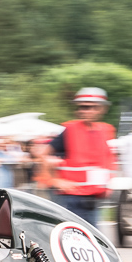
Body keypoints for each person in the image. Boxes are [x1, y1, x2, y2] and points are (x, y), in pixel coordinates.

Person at [35, 87, 116, 226]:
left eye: (89, 107)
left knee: (92, 236)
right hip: (71, 197)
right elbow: (41, 153)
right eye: (81, 107)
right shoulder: (70, 131)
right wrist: (54, 180)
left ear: (102, 109)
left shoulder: (105, 131)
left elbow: (107, 160)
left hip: (93, 197)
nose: (83, 111)